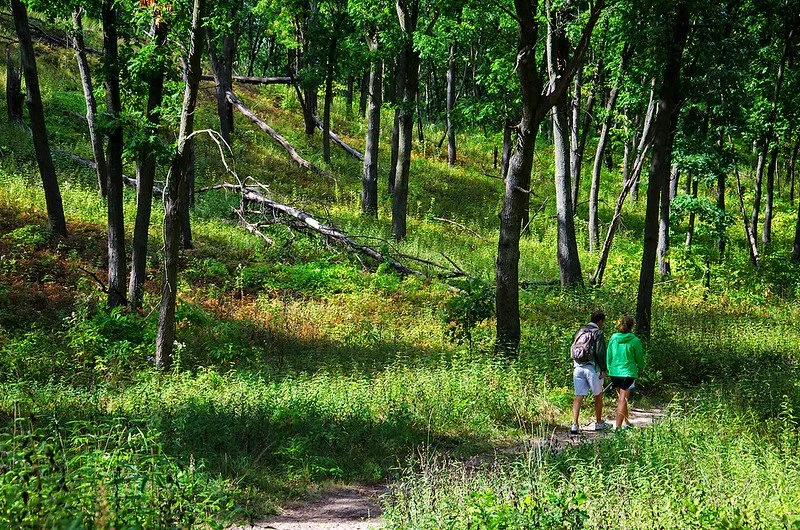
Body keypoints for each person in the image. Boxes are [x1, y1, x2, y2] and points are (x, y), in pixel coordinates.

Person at [570, 309, 611, 434]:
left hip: (577, 367)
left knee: (579, 396)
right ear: (600, 321)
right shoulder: (597, 332)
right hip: (592, 368)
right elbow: (599, 352)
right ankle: (598, 423)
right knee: (598, 395)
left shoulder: (580, 330)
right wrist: (603, 369)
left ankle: (575, 424)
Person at [606, 315, 644, 430]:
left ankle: (626, 422)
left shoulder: (613, 338)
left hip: (614, 372)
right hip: (627, 373)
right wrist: (641, 367)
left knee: (621, 398)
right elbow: (639, 357)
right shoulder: (635, 340)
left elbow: (609, 355)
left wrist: (609, 368)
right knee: (623, 399)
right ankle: (617, 427)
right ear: (632, 326)